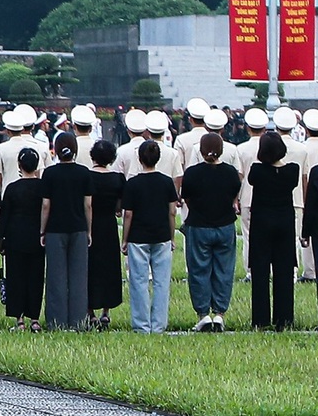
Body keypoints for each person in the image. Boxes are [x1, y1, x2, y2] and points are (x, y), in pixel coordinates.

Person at [180, 132, 241, 332]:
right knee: (224, 270)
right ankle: (220, 313)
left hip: (198, 225)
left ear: (201, 150)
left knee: (199, 270)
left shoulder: (192, 173)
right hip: (225, 225)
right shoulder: (231, 172)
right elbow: (234, 195)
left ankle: (203, 314)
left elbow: (186, 198)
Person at [120, 140, 178, 334]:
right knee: (162, 282)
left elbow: (128, 214)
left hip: (138, 236)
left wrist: (125, 239)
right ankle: (159, 324)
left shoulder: (133, 183)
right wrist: (172, 236)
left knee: (139, 282)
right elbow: (172, 212)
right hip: (161, 235)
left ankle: (142, 325)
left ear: (140, 158)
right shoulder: (166, 182)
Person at [37, 131, 92, 332]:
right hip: (78, 228)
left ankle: (56, 322)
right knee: (78, 277)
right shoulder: (84, 173)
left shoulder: (50, 174)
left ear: (57, 150)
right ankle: (78, 321)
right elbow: (88, 205)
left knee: (56, 276)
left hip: (55, 229)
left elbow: (45, 205)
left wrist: (42, 230)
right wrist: (89, 230)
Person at [247, 130, 300, 331]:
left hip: (261, 224)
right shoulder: (292, 171)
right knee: (284, 272)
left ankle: (260, 320)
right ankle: (284, 319)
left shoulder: (257, 171)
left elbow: (252, 181)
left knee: (260, 273)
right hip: (285, 223)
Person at [0, 148, 45, 331]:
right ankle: (34, 318)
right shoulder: (43, 187)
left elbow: (4, 216)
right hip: (37, 238)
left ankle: (19, 320)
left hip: (15, 238)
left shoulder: (12, 188)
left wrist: (0, 239)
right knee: (35, 277)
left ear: (19, 165)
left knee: (16, 278)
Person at [86, 139, 126, 329]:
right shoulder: (118, 178)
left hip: (90, 225)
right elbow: (119, 207)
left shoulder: (86, 176)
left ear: (92, 156)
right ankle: (106, 312)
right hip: (109, 225)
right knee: (109, 267)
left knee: (90, 267)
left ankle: (90, 312)